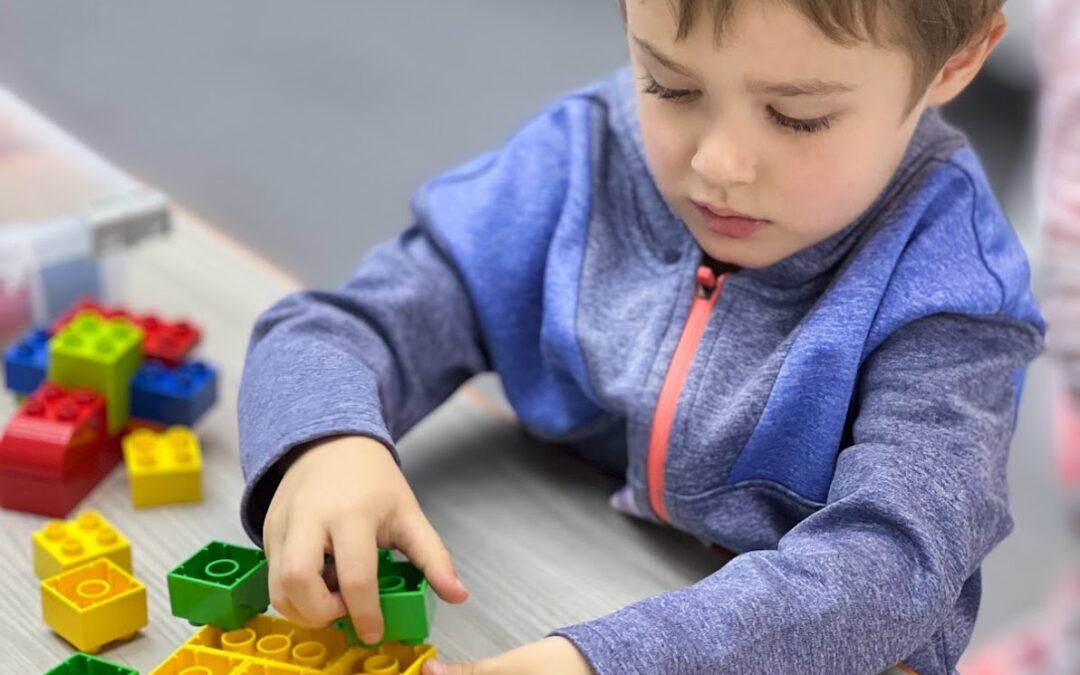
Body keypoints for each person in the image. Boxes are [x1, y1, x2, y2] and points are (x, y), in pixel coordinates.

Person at [237, 1, 1045, 672]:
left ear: (955, 63)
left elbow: (890, 569)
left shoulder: (954, 290)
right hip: (550, 558)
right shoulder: (581, 155)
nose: (719, 163)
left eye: (797, 116)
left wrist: (604, 661)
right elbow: (336, 328)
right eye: (669, 84)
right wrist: (326, 440)